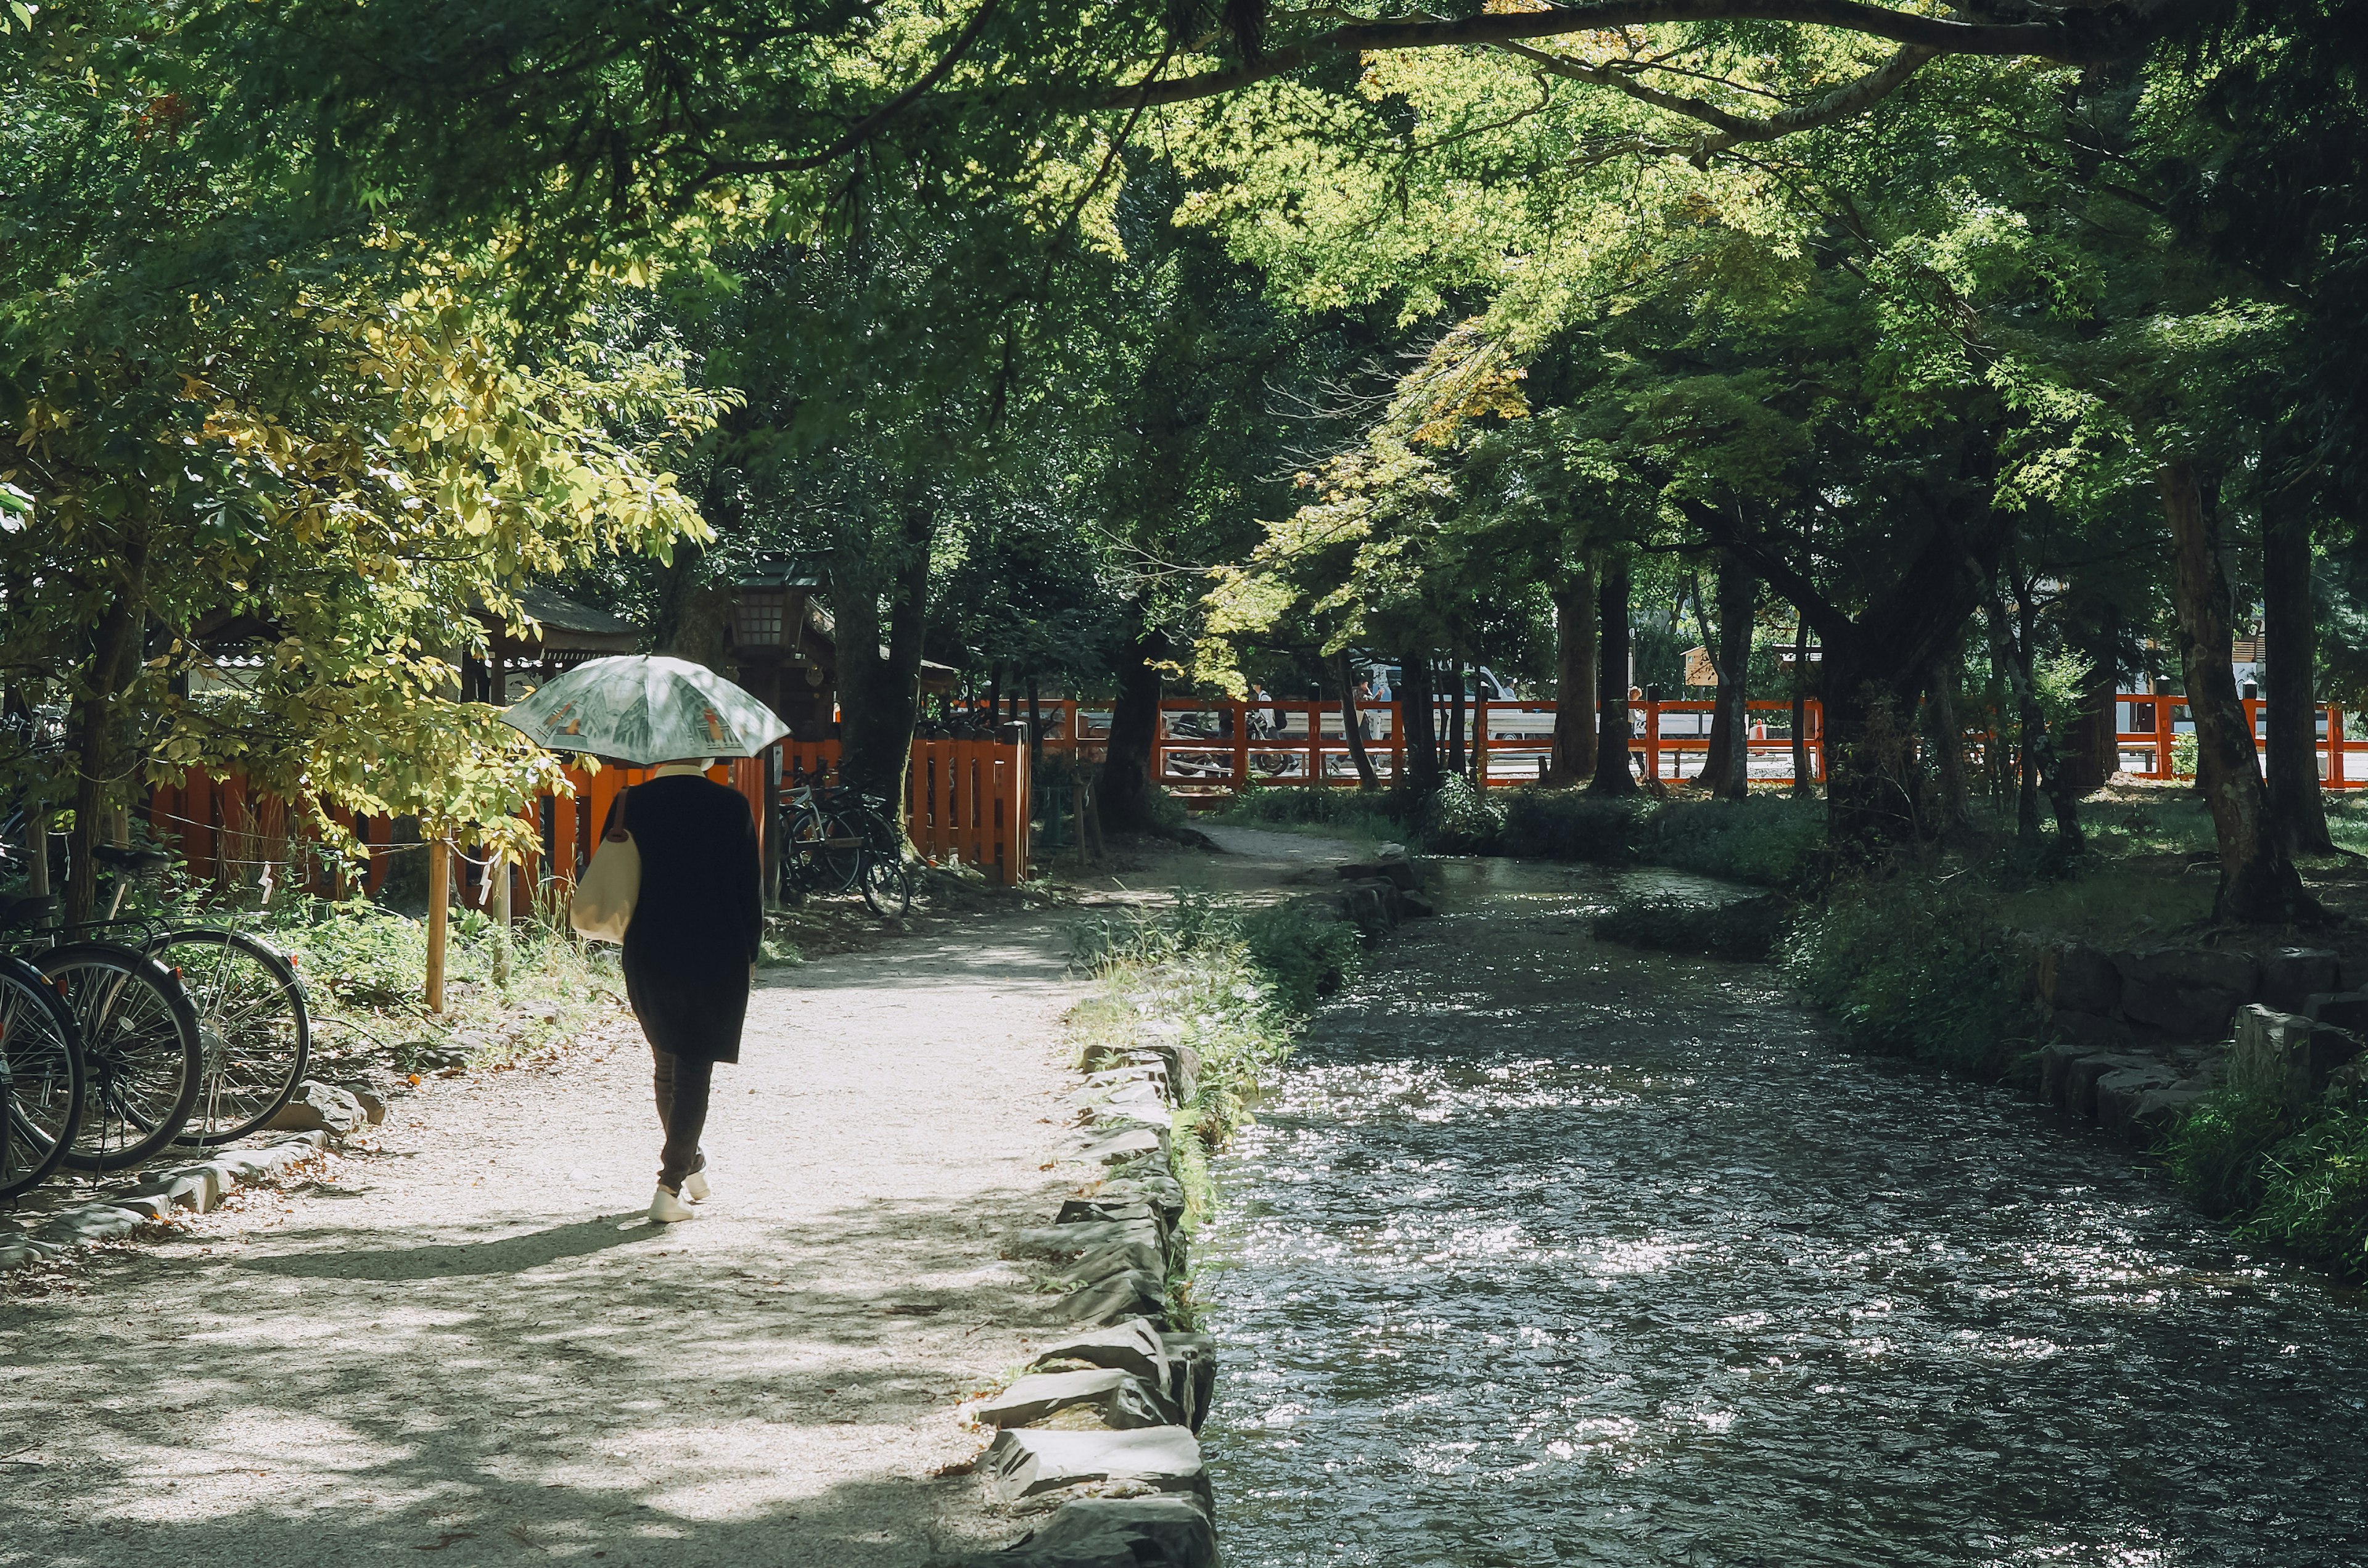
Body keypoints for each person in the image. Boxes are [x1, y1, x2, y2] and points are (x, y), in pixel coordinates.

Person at [604, 757, 763, 1223]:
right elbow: (747, 888)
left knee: (667, 1065)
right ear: (707, 755)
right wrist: (749, 953)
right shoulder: (731, 805)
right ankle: (668, 1187)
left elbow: (612, 876)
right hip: (716, 951)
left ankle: (690, 1163)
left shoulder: (629, 803)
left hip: (649, 949)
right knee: (694, 1066)